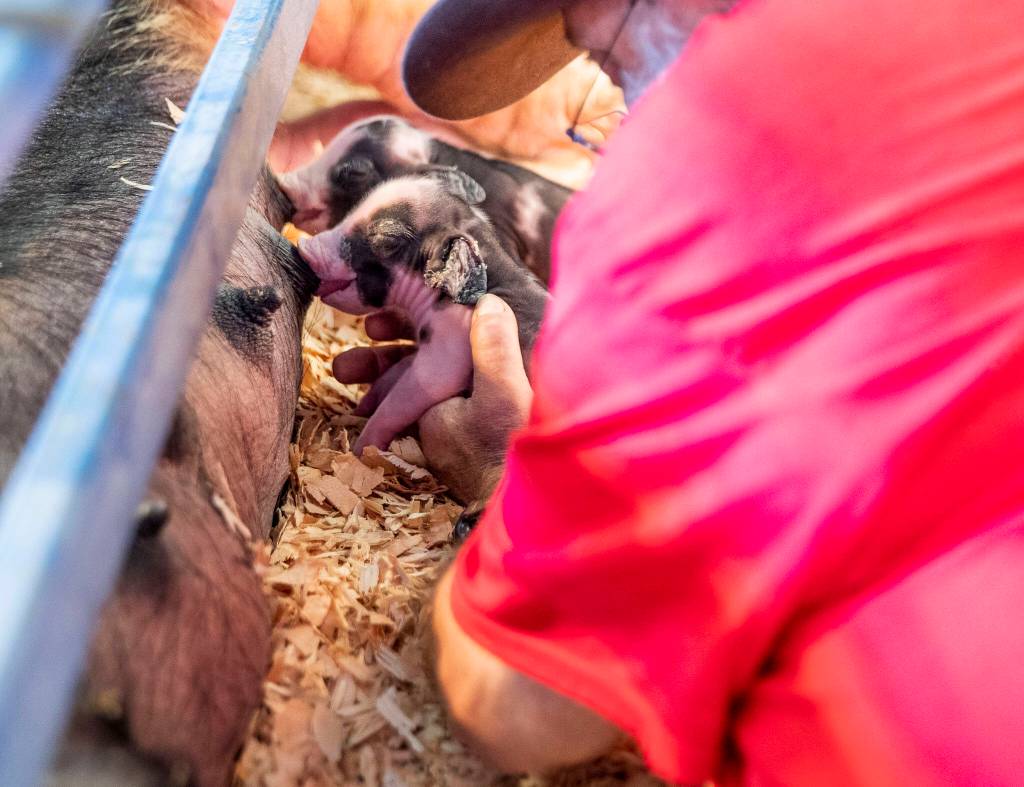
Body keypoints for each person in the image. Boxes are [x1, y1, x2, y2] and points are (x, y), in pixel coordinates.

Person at [332, 0, 1024, 784]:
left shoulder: (710, 152)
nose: (620, 117)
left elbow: (513, 704)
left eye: (600, 65)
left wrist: (497, 473)